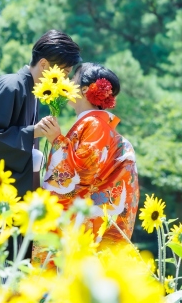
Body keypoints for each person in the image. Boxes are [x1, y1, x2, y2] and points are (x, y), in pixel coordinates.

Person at [0, 30, 81, 206]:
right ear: (44, 64)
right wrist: (34, 132)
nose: (64, 79)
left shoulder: (31, 92)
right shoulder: (12, 86)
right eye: (64, 73)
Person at [37, 62, 139, 251]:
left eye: (73, 79)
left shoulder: (94, 124)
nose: (67, 82)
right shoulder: (95, 123)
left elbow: (83, 173)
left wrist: (56, 140)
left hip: (85, 227)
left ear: (84, 89)